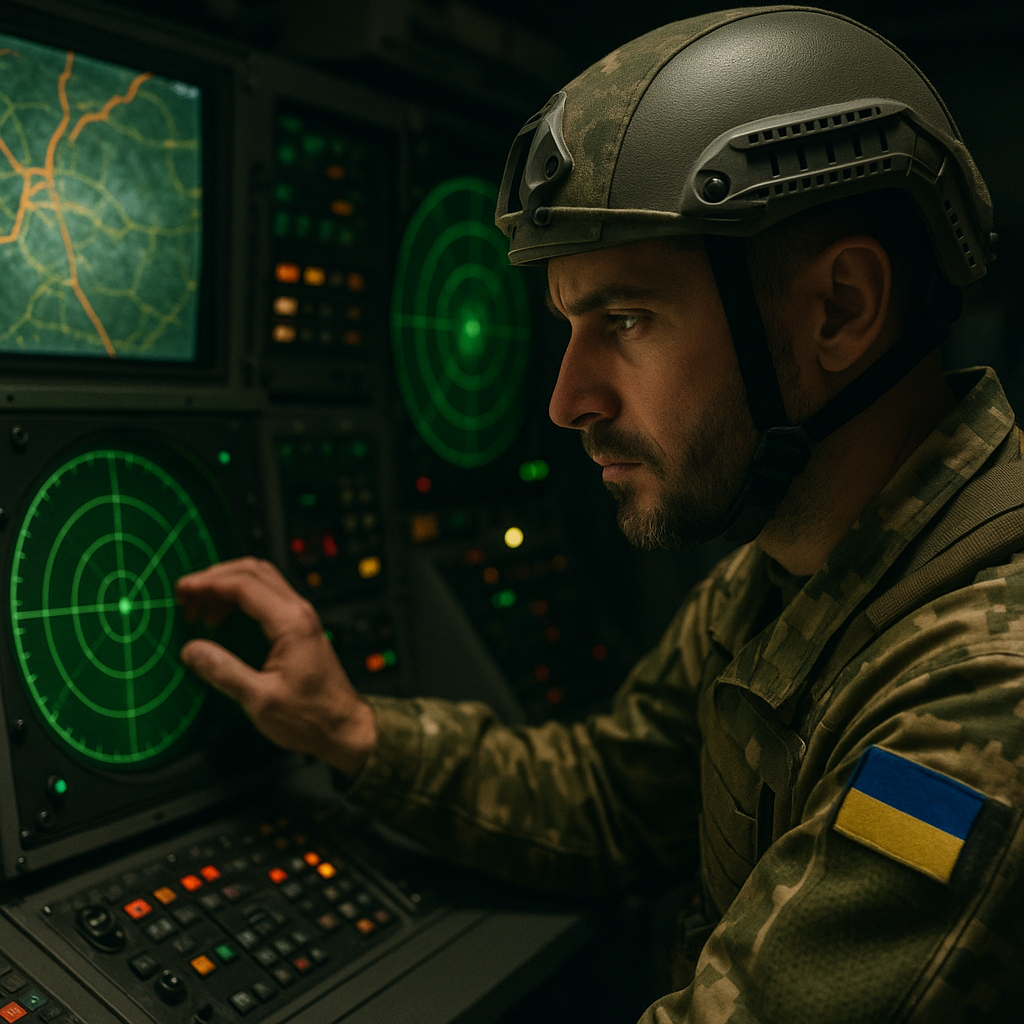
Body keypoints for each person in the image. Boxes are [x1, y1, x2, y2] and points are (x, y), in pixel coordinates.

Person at [176, 7, 1024, 1021]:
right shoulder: (788, 569)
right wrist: (351, 729)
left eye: (625, 319)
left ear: (838, 308)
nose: (568, 399)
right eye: (570, 327)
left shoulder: (980, 700)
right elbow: (612, 798)